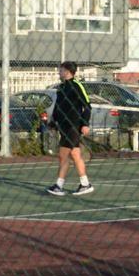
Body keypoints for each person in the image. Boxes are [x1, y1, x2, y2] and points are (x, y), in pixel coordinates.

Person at [46, 62, 93, 196]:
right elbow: (58, 106)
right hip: (64, 126)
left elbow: (87, 106)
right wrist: (53, 120)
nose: (59, 72)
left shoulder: (77, 86)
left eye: (61, 70)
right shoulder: (61, 87)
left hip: (73, 126)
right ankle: (85, 184)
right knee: (75, 154)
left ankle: (59, 186)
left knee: (63, 155)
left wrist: (85, 124)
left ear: (67, 71)